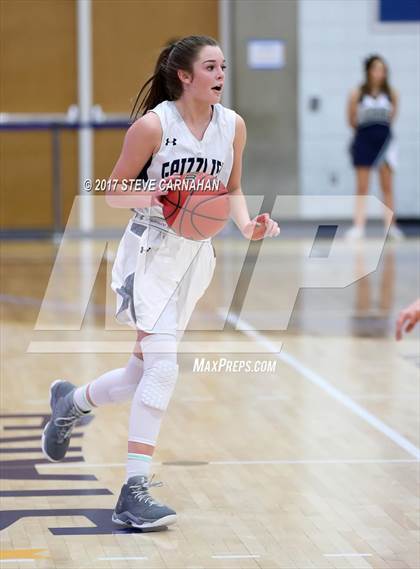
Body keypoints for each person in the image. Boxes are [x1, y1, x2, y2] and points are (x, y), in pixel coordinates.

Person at [41, 36, 280, 530]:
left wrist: (246, 225)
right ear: (185, 76)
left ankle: (71, 402)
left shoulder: (232, 125)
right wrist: (154, 194)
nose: (221, 74)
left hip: (193, 259)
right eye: (211, 67)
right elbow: (111, 192)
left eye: (224, 67)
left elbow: (232, 188)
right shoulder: (153, 127)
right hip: (147, 256)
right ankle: (133, 491)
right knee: (164, 367)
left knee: (139, 374)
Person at [346, 55, 404, 241]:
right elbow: (351, 119)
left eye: (382, 69)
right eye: (376, 69)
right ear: (368, 71)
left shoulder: (392, 93)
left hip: (385, 143)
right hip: (364, 141)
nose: (379, 73)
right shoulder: (357, 93)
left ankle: (391, 227)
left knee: (387, 186)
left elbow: (392, 117)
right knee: (362, 187)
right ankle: (358, 227)